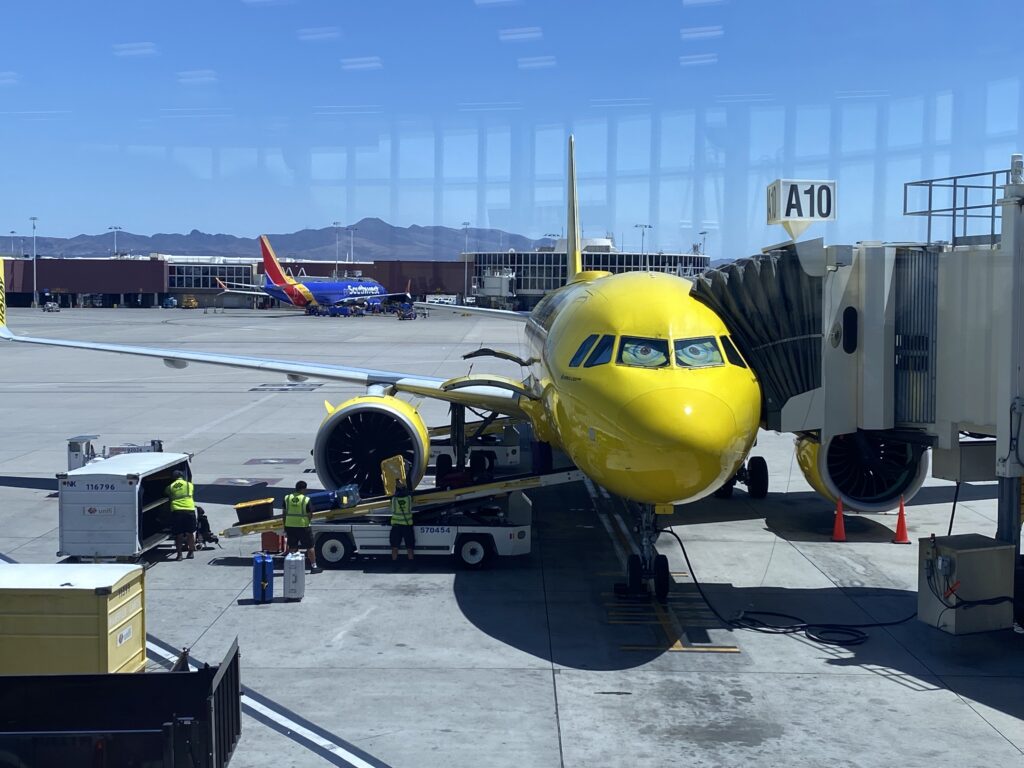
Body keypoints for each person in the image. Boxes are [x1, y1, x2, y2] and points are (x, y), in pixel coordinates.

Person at [284, 480, 319, 573]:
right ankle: (314, 566)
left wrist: (285, 525)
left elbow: (284, 513)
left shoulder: (287, 498)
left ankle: (291, 567)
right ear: (303, 489)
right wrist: (308, 521)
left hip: (290, 525)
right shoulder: (305, 499)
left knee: (292, 546)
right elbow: (310, 514)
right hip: (303, 526)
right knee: (310, 546)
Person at [165, 469, 196, 561]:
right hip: (189, 510)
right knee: (190, 533)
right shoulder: (189, 485)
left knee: (178, 535)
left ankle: (179, 555)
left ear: (173, 478)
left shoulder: (170, 487)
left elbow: (166, 493)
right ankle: (191, 552)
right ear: (182, 476)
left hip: (177, 511)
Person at [389, 480, 415, 562]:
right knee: (410, 547)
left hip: (396, 527)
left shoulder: (393, 500)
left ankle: (394, 564)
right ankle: (411, 565)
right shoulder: (409, 499)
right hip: (407, 527)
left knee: (394, 547)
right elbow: (409, 492)